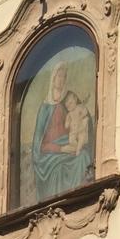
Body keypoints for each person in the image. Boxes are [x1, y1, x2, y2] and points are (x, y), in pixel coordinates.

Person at [31, 61, 93, 201]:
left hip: (69, 144)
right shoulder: (45, 108)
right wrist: (61, 148)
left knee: (83, 156)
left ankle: (83, 199)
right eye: (59, 76)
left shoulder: (69, 99)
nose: (61, 79)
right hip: (50, 154)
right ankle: (58, 205)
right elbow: (39, 145)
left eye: (64, 76)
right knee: (58, 169)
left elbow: (81, 115)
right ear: (53, 78)